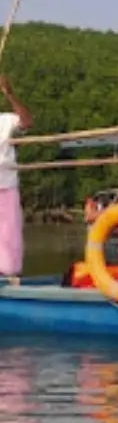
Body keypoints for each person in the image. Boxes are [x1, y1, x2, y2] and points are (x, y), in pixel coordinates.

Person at [0, 75, 31, 280]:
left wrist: (9, 94)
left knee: (9, 231)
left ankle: (9, 272)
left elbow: (27, 122)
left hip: (6, 182)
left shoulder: (5, 119)